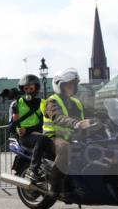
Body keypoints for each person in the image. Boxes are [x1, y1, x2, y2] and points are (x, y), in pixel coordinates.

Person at [29, 68, 95, 199]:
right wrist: (76, 123)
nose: (72, 87)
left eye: (73, 84)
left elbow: (89, 114)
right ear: (60, 85)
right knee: (65, 148)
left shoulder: (76, 102)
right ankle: (55, 187)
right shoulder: (51, 101)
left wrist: (102, 119)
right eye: (68, 84)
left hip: (73, 137)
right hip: (53, 138)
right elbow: (57, 117)